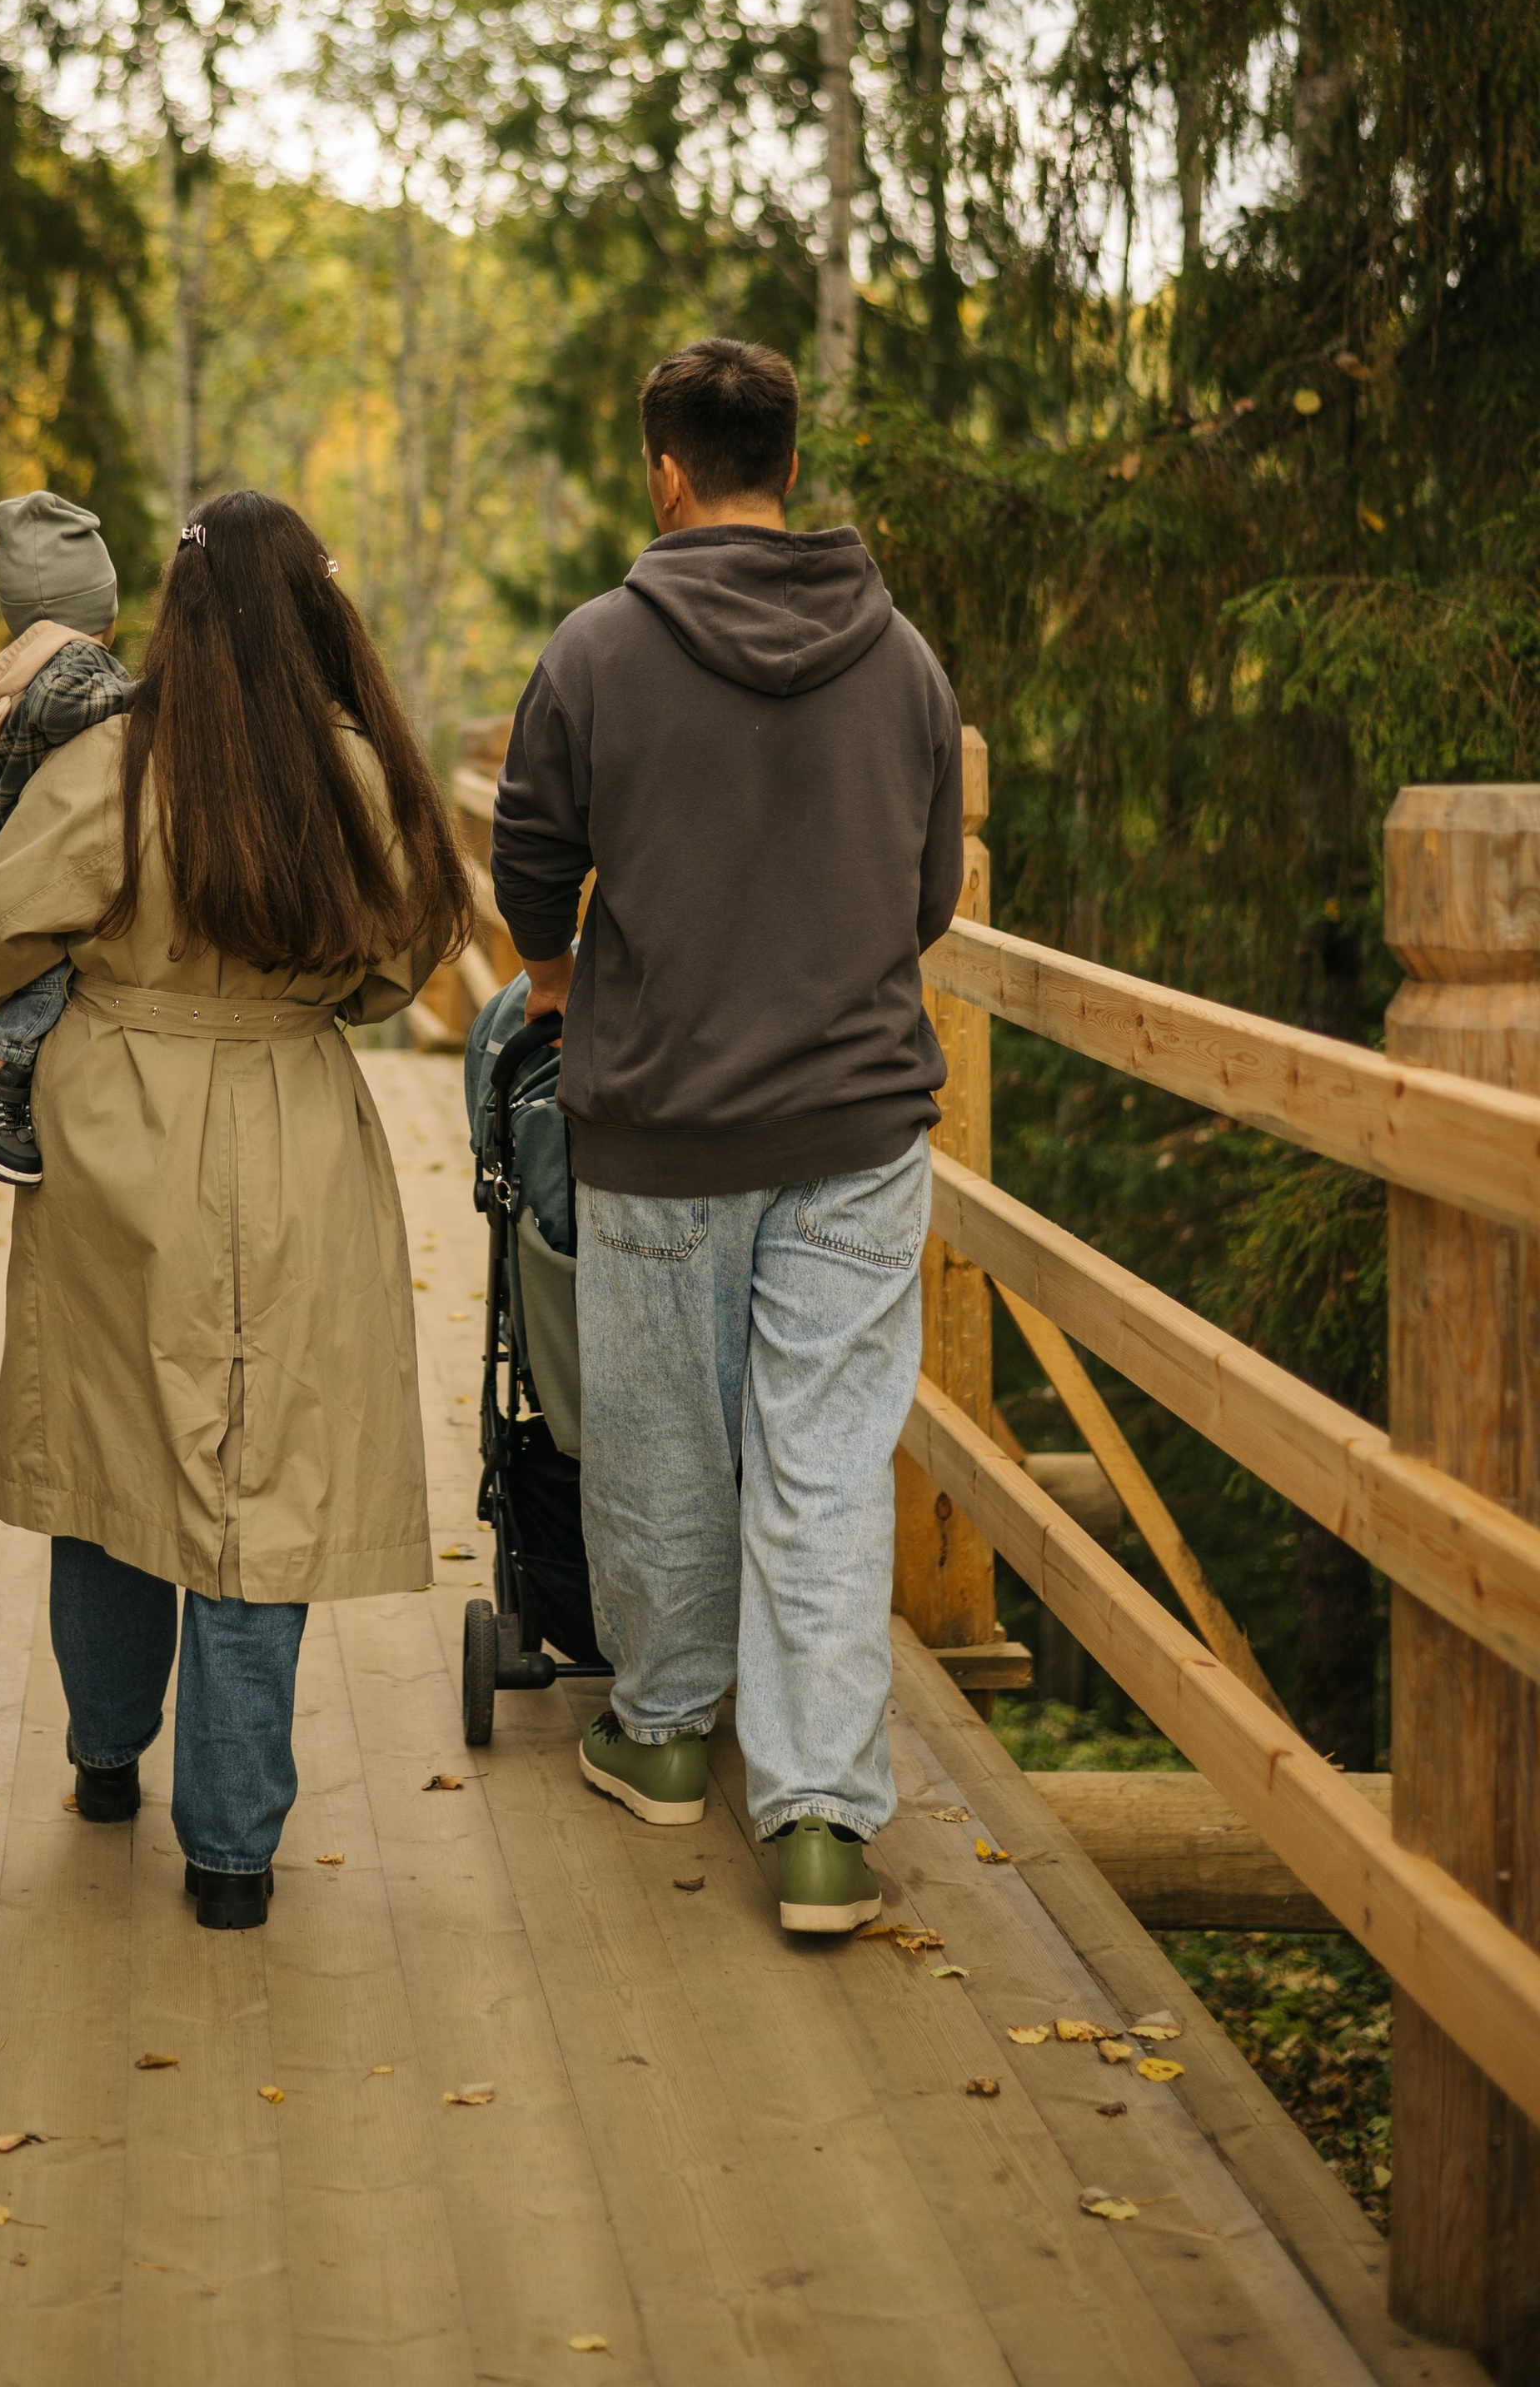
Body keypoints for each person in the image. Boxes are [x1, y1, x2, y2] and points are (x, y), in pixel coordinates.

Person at [0, 490, 471, 1929]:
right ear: (315, 606)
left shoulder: (115, 760)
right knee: (264, 1480)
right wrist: (310, 1002)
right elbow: (410, 952)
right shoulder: (361, 770)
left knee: (112, 1445)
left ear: (176, 616)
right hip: (296, 1123)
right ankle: (233, 1855)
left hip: (120, 1126)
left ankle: (106, 1759)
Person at [488, 338, 964, 1936]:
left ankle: (668, 1729)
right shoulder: (898, 657)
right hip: (855, 1123)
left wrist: (559, 984)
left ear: (666, 470)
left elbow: (530, 852)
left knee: (665, 1442)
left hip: (665, 1124)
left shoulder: (599, 648)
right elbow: (931, 900)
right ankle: (823, 1819)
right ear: (789, 464)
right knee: (826, 1463)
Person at [0, 489, 135, 1189]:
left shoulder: (43, 662)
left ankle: (4, 1080)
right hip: (36, 855)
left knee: (47, 966)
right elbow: (65, 708)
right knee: (49, 970)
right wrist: (141, 695)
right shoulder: (74, 667)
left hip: (20, 841)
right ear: (99, 611)